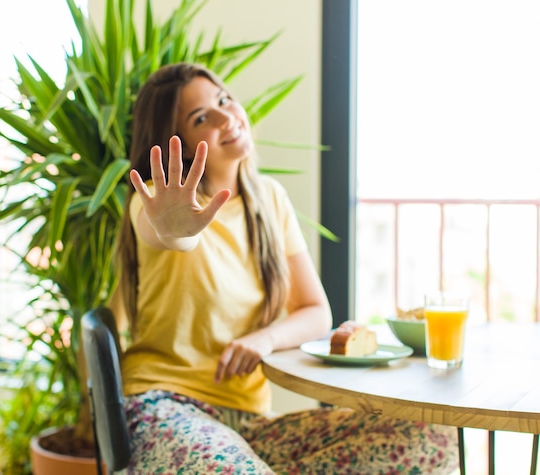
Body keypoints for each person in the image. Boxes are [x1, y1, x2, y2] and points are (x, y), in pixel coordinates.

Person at [116, 62, 458, 474]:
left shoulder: (270, 200)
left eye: (224, 100)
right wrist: (174, 230)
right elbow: (170, 234)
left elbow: (316, 311)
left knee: (430, 435)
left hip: (250, 422)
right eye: (202, 118)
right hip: (166, 405)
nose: (228, 117)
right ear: (180, 144)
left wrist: (265, 339)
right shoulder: (156, 201)